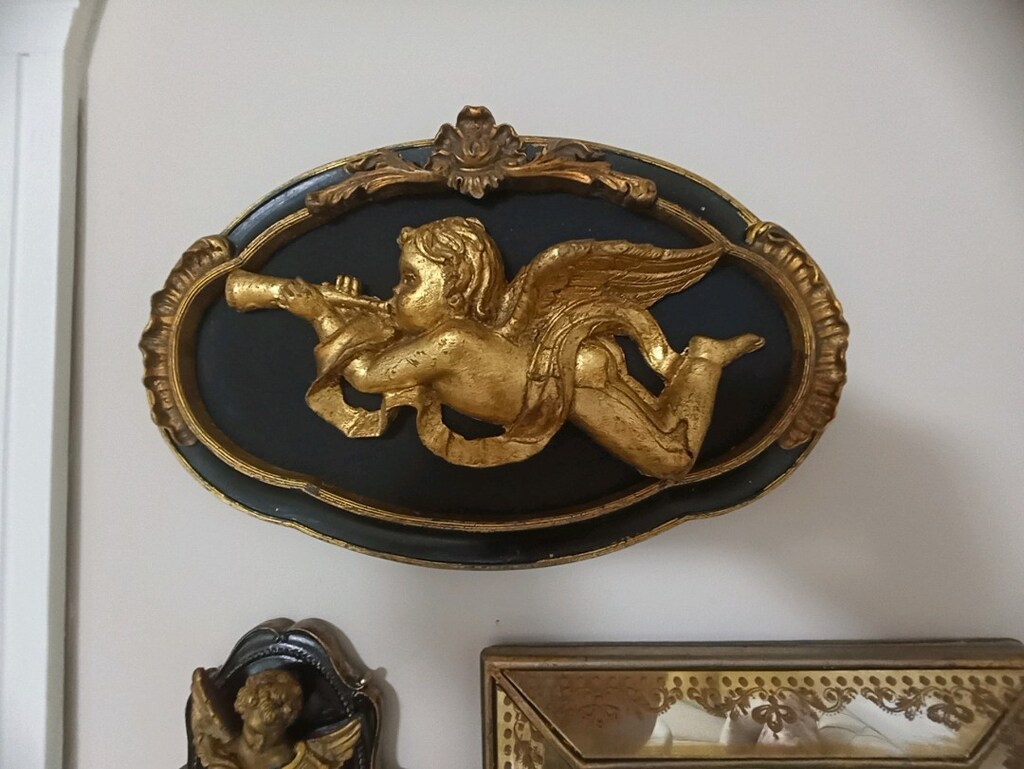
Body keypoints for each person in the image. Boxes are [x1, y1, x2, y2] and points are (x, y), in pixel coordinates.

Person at [274, 216, 762, 479]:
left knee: (673, 462)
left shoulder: (452, 340)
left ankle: (703, 359)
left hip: (569, 383)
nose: (396, 292)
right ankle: (701, 360)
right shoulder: (451, 335)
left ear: (455, 292)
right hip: (570, 374)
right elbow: (385, 346)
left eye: (410, 280)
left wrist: (319, 314)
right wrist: (347, 313)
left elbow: (365, 376)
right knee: (667, 442)